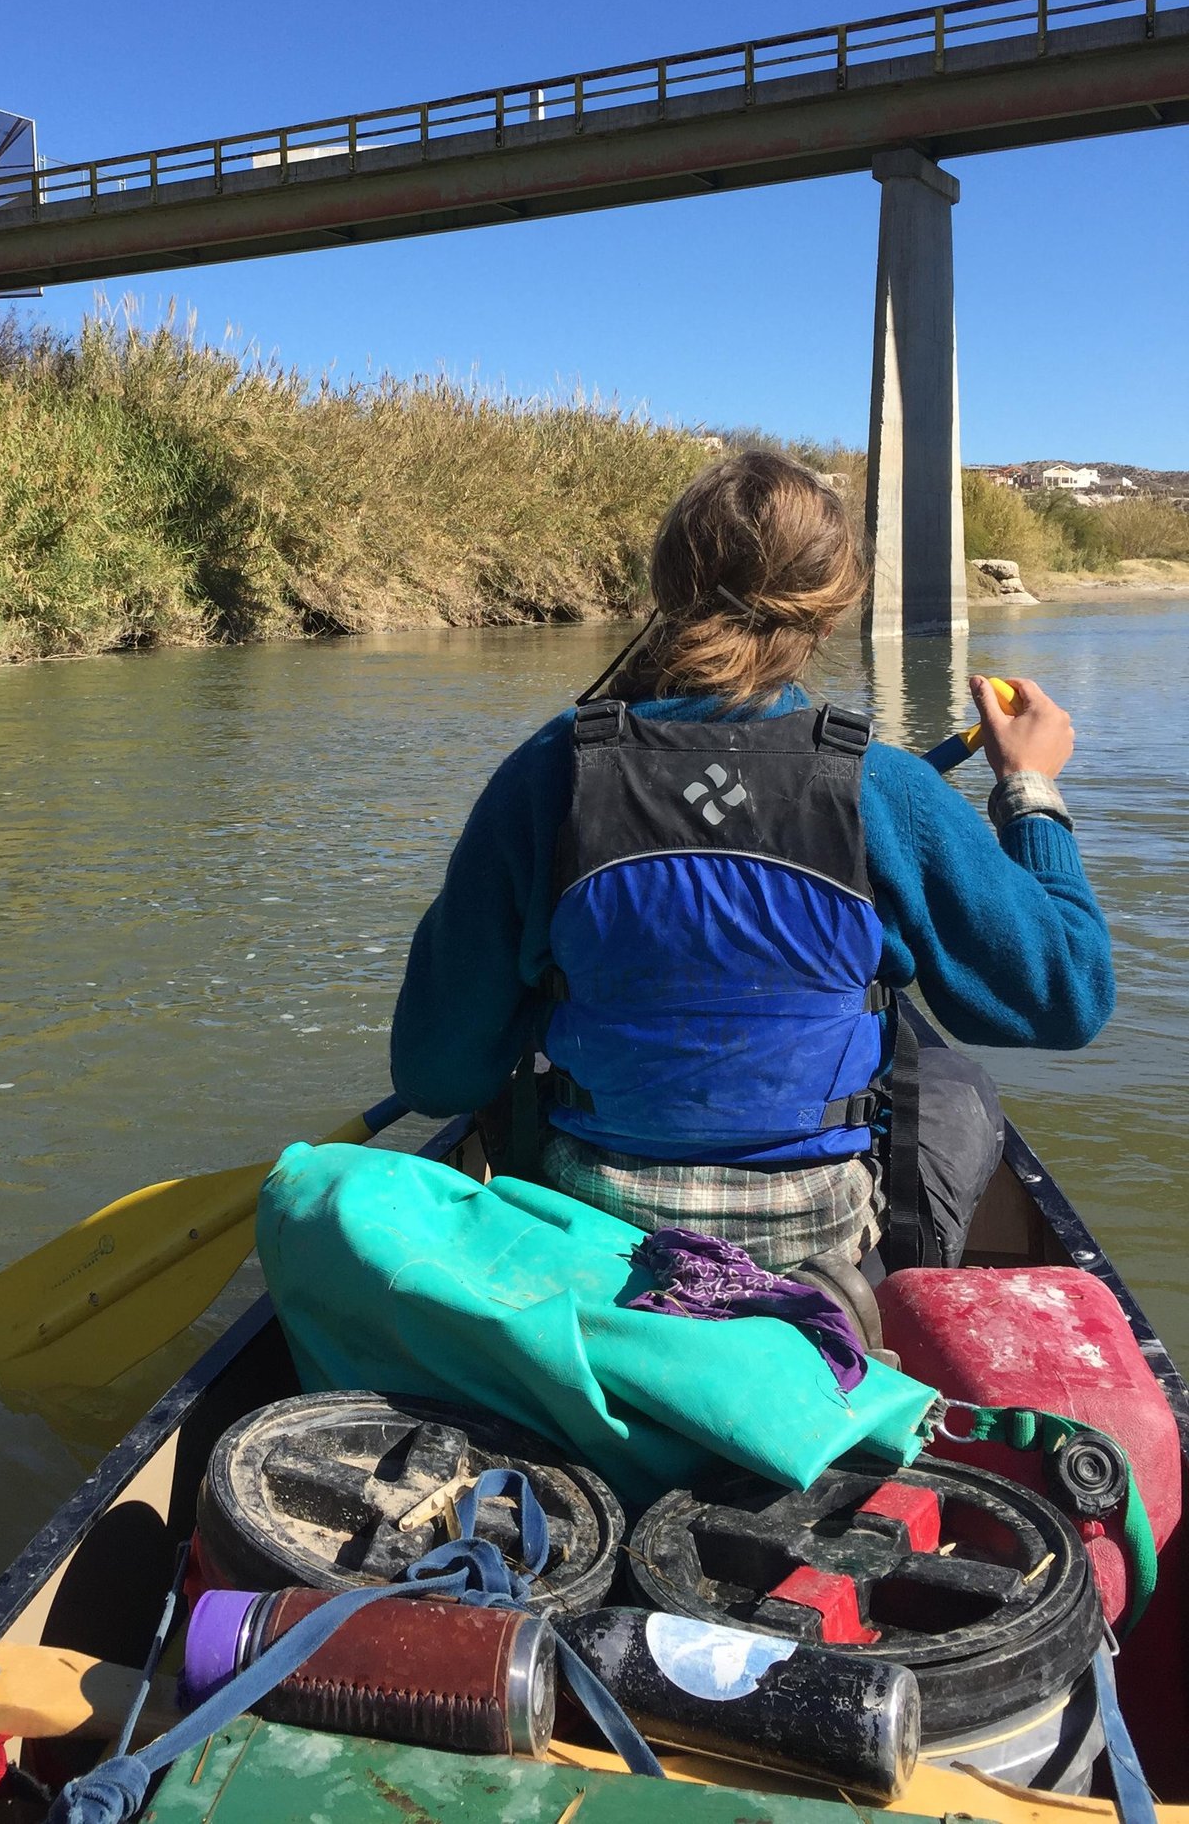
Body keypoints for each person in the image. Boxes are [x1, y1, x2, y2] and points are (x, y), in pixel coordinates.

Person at [390, 451, 1114, 1275]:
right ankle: (889, 1286)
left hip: (589, 1248)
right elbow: (1067, 995)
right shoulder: (885, 787)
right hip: (817, 1257)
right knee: (953, 1088)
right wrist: (1028, 788)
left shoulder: (546, 772)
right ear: (830, 615)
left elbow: (434, 1074)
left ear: (664, 588)